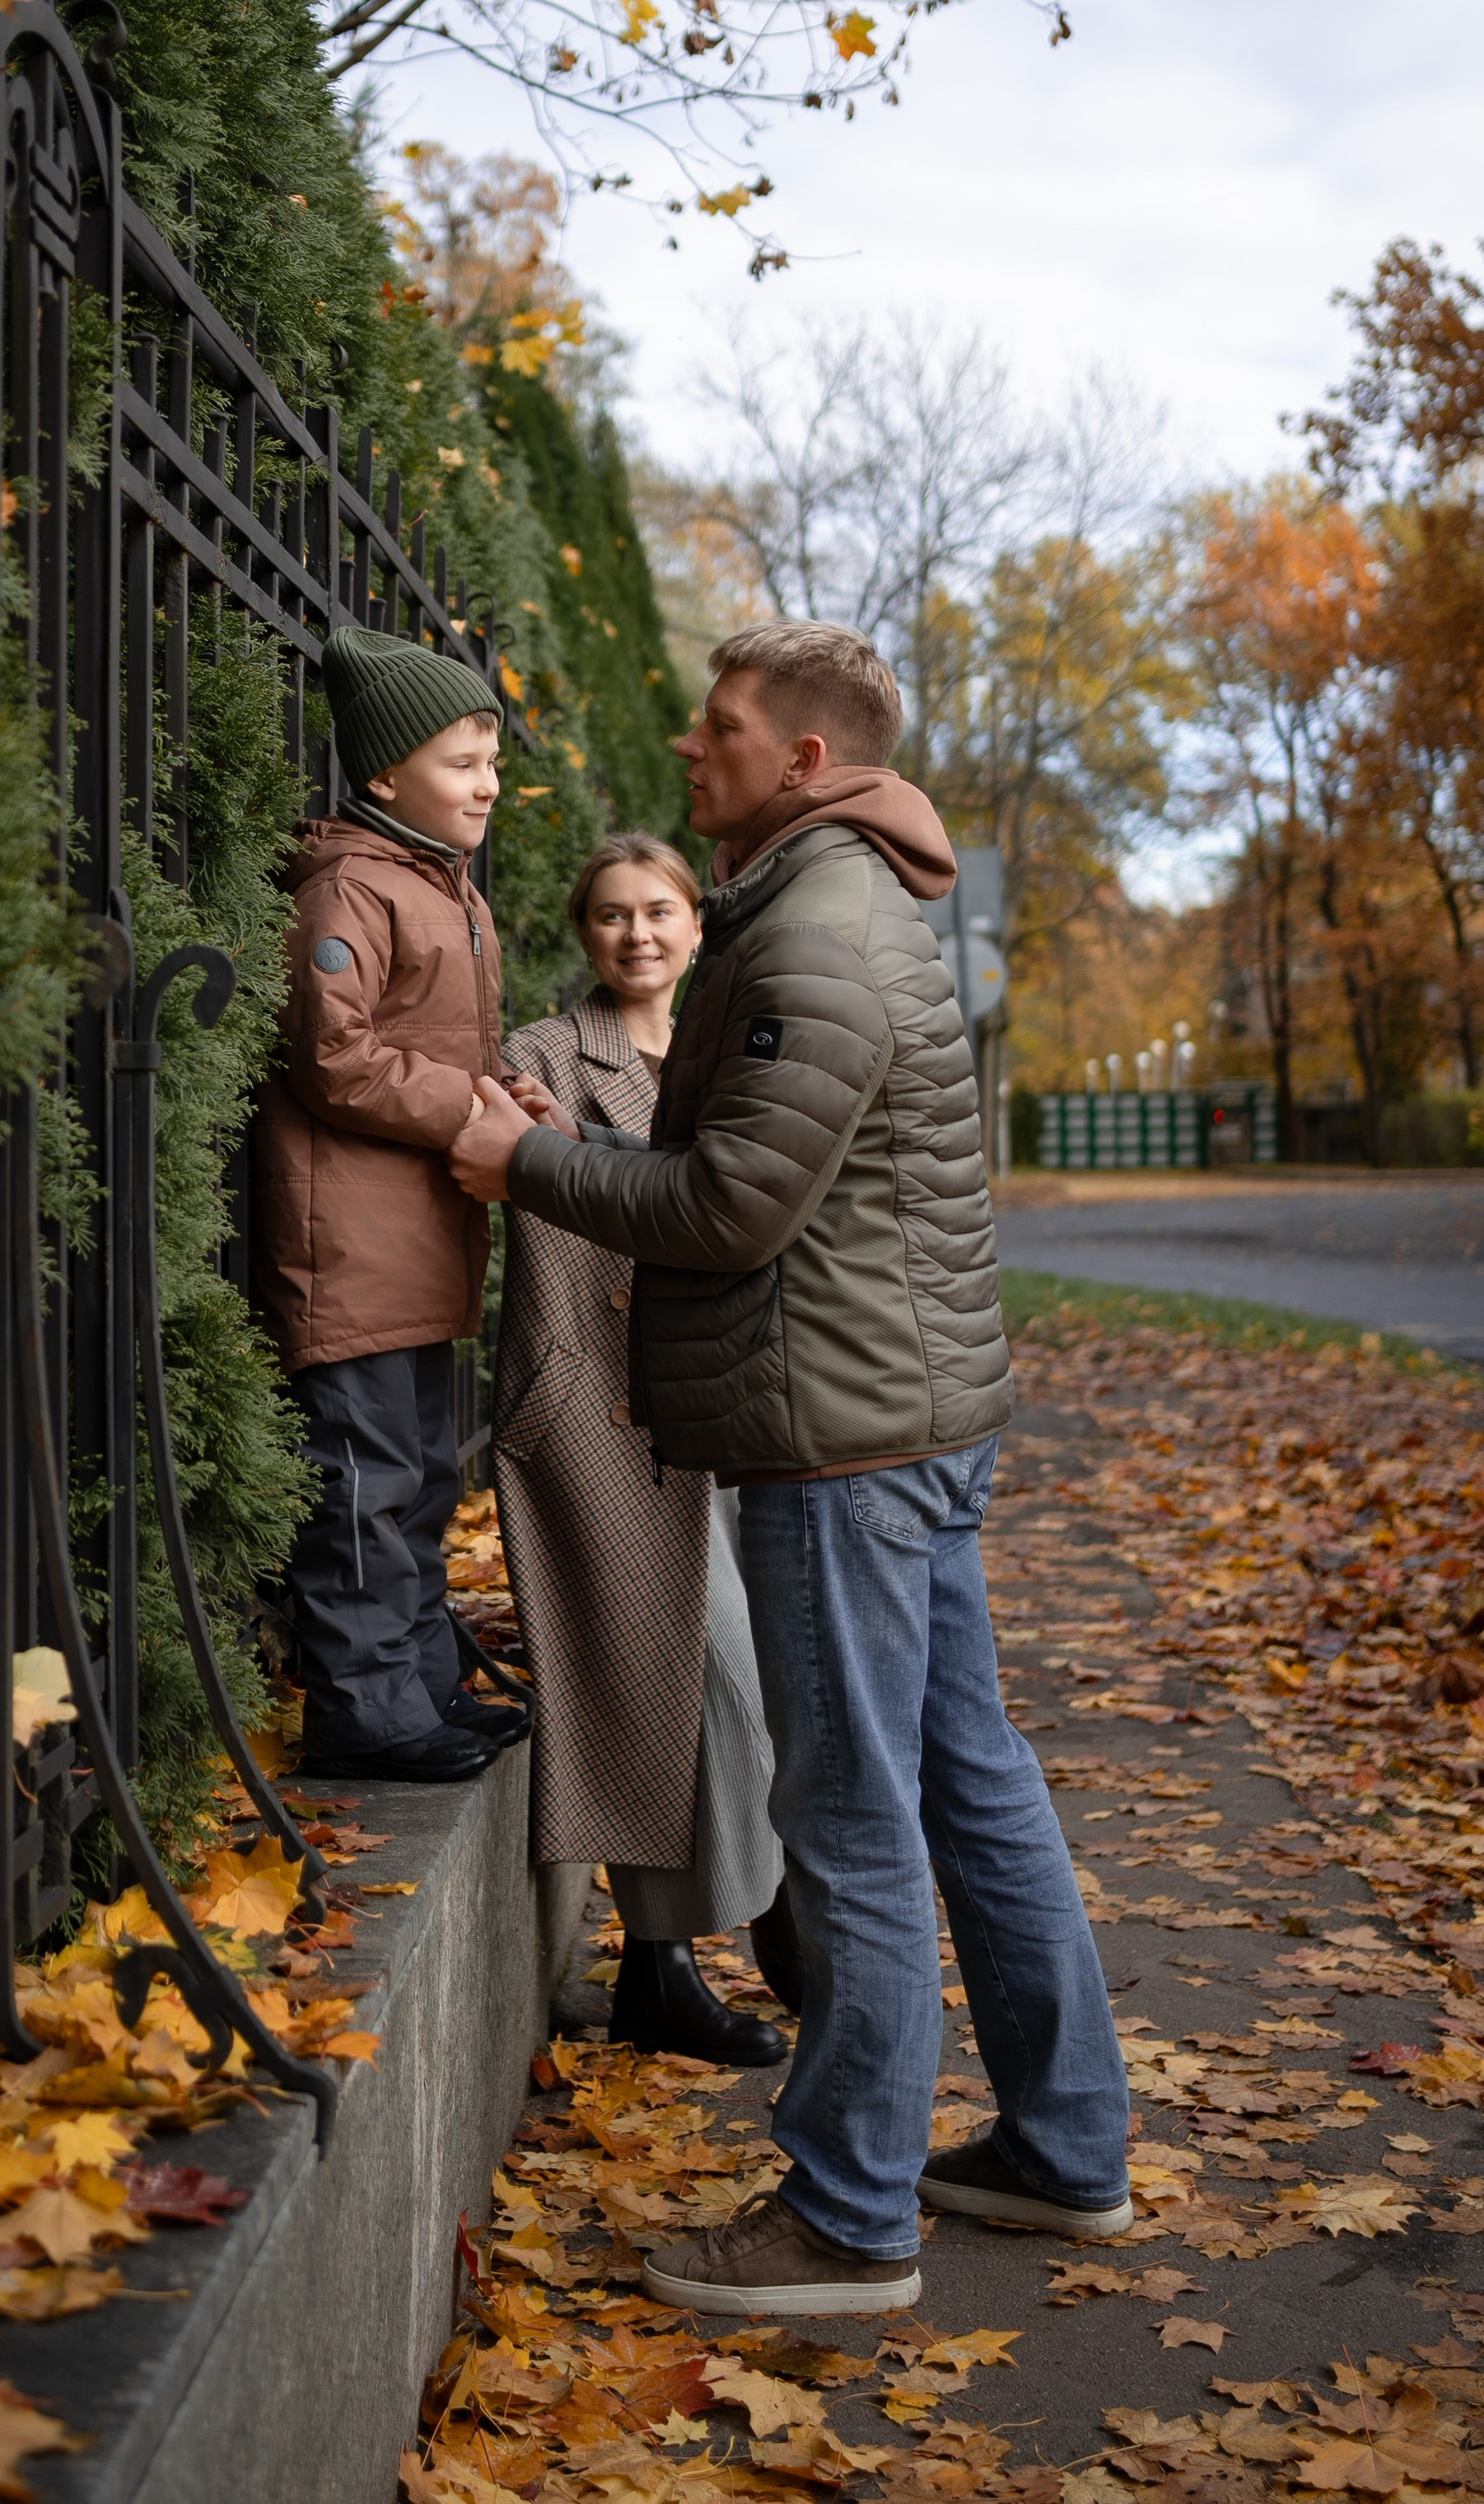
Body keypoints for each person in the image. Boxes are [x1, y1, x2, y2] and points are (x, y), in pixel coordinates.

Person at [451, 619, 1130, 2319]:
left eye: (723, 724)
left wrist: (516, 1156)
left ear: (808, 760)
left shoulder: (821, 936)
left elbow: (728, 1204)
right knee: (967, 1782)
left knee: (850, 1818)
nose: (692, 745)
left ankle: (845, 2220)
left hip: (844, 1449)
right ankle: (1061, 2149)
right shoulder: (836, 909)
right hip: (895, 1424)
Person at [496, 834, 792, 2071]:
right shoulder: (541, 1056)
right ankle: (724, 1952)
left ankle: (672, 1968)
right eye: (612, 916)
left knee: (754, 1675)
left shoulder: (735, 1046)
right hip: (602, 1408)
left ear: (694, 922)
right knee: (681, 1675)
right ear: (585, 931)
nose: (637, 936)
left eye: (658, 911)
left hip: (735, 1405)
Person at [250, 622, 533, 1787]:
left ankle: (419, 1686)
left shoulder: (444, 891)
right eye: (462, 763)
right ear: (383, 775)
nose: (488, 785)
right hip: (350, 1245)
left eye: (493, 764)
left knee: (416, 1475)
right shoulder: (348, 889)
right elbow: (335, 1057)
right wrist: (472, 1108)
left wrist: (512, 1092)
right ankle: (365, 1712)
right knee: (364, 1484)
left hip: (415, 1245)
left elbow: (445, 1045)